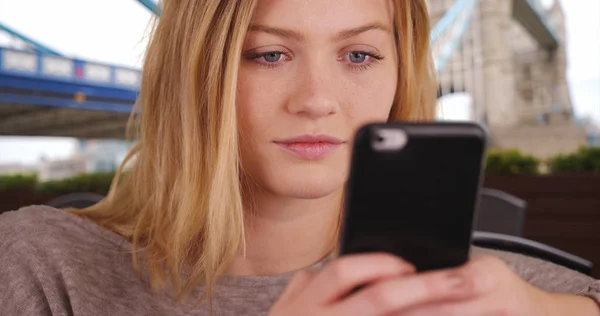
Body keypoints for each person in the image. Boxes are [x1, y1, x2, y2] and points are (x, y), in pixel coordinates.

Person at [1, 0, 599, 315]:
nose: (317, 100)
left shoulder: (476, 288)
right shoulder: (39, 268)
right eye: (268, 54)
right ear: (194, 72)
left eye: (360, 55)